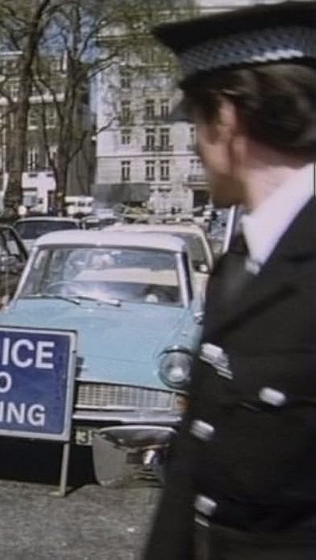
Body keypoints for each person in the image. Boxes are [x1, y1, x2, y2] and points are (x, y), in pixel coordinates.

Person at [143, 3, 316, 560]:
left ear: (228, 120)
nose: (196, 145)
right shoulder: (244, 257)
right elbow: (197, 465)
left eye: (197, 121)